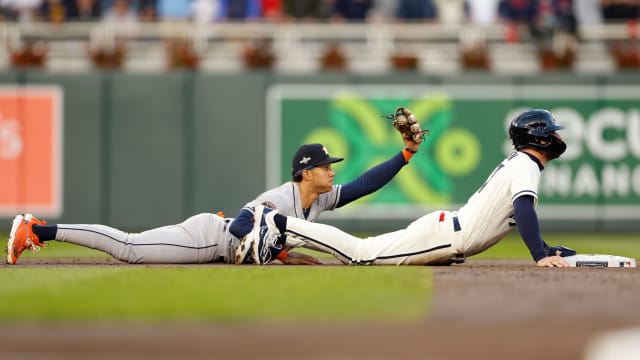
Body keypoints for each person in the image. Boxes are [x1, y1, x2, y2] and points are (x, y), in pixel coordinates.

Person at [6, 115, 425, 265]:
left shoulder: (319, 199)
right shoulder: (281, 198)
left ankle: (39, 231)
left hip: (218, 241)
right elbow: (244, 223)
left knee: (132, 249)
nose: (332, 174)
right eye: (324, 168)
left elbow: (364, 185)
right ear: (304, 172)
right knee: (131, 248)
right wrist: (282, 253)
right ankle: (37, 231)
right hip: (208, 239)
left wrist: (404, 154)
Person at [239, 109, 577, 267]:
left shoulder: (522, 164)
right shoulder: (525, 165)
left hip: (447, 234)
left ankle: (277, 226)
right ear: (539, 136)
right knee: (362, 253)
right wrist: (539, 256)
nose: (559, 137)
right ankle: (274, 222)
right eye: (554, 131)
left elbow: (361, 186)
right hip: (447, 236)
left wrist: (547, 249)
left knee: (364, 250)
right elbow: (522, 210)